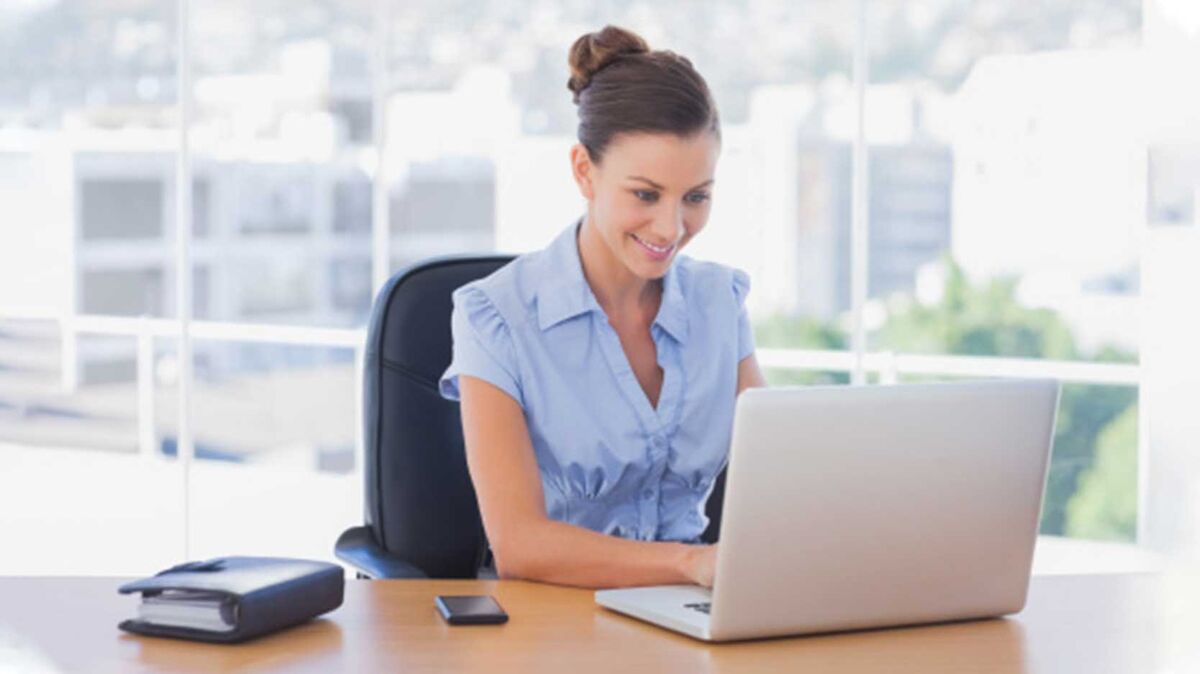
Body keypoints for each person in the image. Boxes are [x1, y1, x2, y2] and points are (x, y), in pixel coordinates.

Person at [438, 25, 766, 590]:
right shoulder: (495, 318)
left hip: (689, 615)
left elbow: (779, 476)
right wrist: (688, 563)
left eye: (696, 197)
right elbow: (519, 545)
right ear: (584, 171)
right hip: (549, 624)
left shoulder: (720, 303)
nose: (672, 227)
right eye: (645, 194)